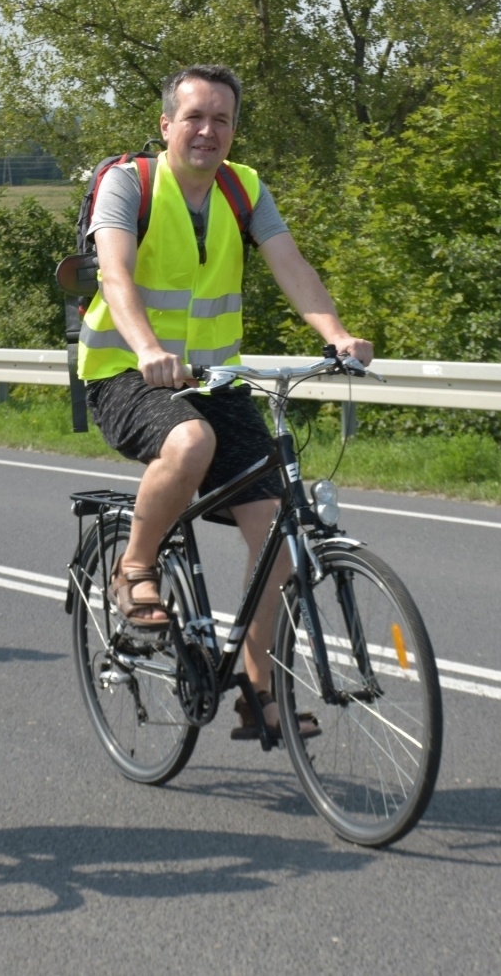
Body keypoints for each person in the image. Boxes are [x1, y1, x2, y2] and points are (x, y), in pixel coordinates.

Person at [78, 64, 373, 742]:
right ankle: (135, 567)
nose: (209, 130)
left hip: (214, 379)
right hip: (127, 371)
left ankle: (258, 687)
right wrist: (148, 346)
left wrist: (335, 335)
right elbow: (115, 272)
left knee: (279, 534)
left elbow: (290, 262)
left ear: (234, 130)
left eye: (222, 120)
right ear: (166, 125)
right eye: (195, 117)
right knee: (189, 443)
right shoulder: (131, 185)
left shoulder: (244, 189)